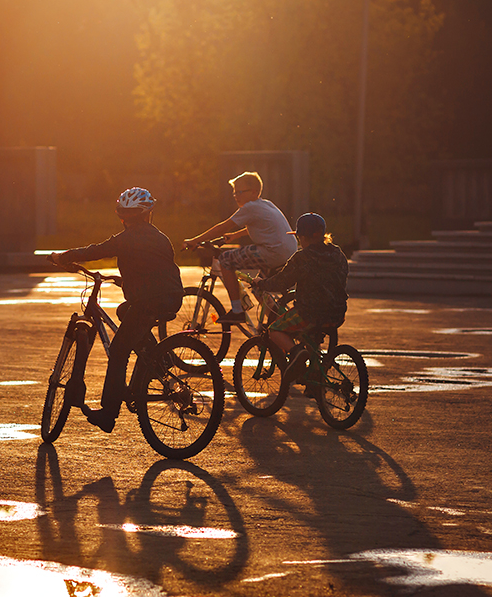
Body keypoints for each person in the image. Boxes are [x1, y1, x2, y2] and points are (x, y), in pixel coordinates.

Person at [53, 187, 183, 434]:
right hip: (171, 297)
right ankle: (158, 357)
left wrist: (64, 256)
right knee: (124, 311)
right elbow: (156, 268)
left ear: (123, 217)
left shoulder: (126, 238)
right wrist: (127, 280)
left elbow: (95, 251)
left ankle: (108, 414)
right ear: (148, 214)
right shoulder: (161, 237)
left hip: (149, 300)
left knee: (119, 351)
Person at [183, 171, 298, 323]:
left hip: (272, 252)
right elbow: (258, 225)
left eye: (240, 192)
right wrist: (235, 236)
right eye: (234, 192)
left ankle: (237, 311)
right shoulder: (265, 204)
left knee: (225, 260)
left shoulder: (250, 207)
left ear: (254, 192)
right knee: (258, 286)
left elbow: (222, 227)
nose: (236, 195)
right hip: (287, 252)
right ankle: (276, 321)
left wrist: (195, 240)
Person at [252, 212, 349, 365]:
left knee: (274, 330)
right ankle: (314, 378)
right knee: (310, 333)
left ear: (303, 237)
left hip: (310, 314)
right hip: (337, 313)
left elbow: (281, 282)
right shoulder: (337, 254)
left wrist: (261, 283)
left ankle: (297, 354)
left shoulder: (302, 258)